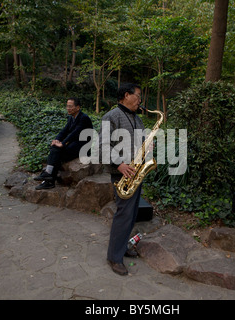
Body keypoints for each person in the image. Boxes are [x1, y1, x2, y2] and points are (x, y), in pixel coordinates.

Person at [99, 83, 145, 276]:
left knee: (132, 214)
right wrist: (119, 164)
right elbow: (102, 146)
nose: (140, 100)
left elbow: (141, 143)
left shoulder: (137, 119)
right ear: (126, 95)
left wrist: (146, 148)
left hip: (136, 172)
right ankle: (114, 258)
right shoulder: (111, 116)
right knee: (123, 214)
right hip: (122, 173)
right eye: (138, 96)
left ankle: (122, 247)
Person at [34, 98, 93, 190]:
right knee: (55, 148)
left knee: (57, 152)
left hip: (83, 147)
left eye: (70, 106)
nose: (68, 108)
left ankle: (48, 177)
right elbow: (64, 131)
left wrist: (63, 143)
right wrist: (56, 140)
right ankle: (49, 177)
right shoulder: (71, 118)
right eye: (67, 106)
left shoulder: (83, 118)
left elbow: (75, 133)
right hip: (74, 144)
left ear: (77, 107)